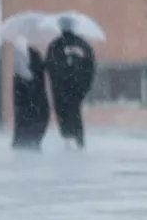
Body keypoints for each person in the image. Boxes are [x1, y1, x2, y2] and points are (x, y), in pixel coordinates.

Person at [45, 18, 95, 148]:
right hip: (74, 88)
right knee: (73, 114)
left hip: (64, 89)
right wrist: (83, 85)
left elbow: (50, 66)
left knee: (65, 114)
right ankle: (76, 141)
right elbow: (90, 66)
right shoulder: (82, 44)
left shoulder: (55, 45)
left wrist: (60, 79)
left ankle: (69, 140)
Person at [11, 37, 50, 150]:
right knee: (29, 122)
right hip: (32, 100)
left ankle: (30, 144)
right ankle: (29, 144)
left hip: (33, 100)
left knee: (30, 121)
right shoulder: (29, 57)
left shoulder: (33, 55)